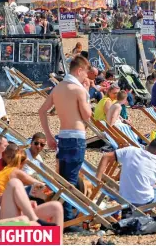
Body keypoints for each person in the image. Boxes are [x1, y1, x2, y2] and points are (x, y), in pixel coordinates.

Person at [38, 55, 92, 231]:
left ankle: (63, 214)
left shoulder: (58, 88)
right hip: (76, 136)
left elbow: (42, 111)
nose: (87, 77)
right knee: (71, 180)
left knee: (62, 179)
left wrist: (48, 136)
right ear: (79, 70)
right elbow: (87, 116)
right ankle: (68, 219)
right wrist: (87, 93)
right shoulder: (79, 90)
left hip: (62, 136)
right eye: (85, 73)